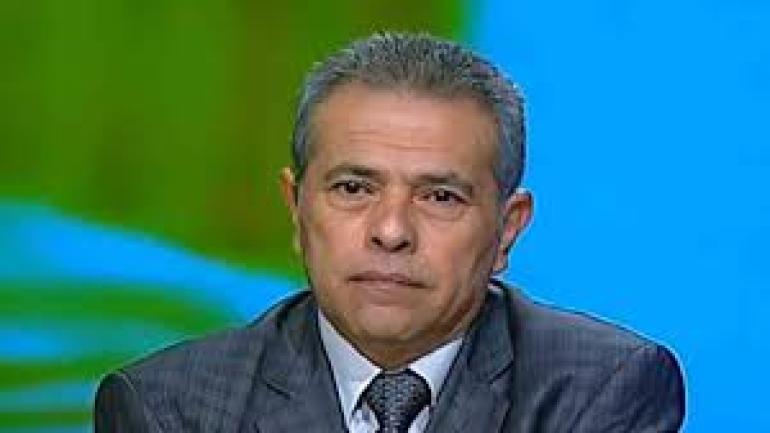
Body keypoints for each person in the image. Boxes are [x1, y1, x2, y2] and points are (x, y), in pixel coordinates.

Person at [94, 32, 685, 432]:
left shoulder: (599, 390)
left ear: (507, 230)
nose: (392, 231)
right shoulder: (169, 409)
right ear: (296, 209)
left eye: (440, 197)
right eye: (354, 188)